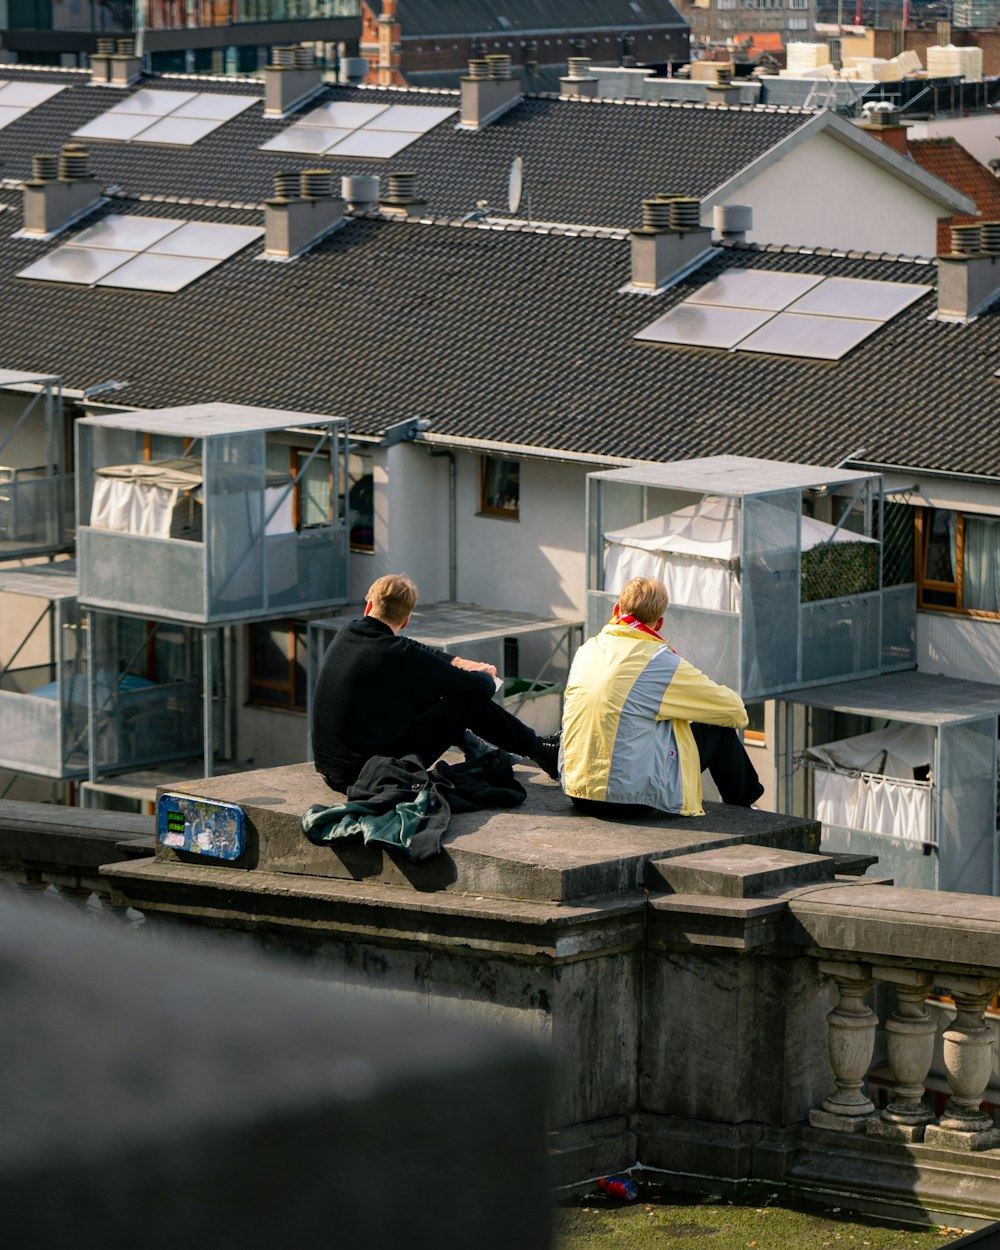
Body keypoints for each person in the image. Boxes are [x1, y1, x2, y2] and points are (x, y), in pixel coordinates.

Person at [312, 574, 560, 790]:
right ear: (406, 619)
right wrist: (485, 674)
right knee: (462, 704)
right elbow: (481, 689)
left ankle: (478, 746)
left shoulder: (349, 633)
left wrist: (463, 663)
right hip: (367, 773)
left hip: (333, 771)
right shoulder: (397, 653)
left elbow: (422, 653)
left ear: (368, 606)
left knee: (427, 690)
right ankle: (539, 750)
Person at [560, 575, 763, 818]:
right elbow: (735, 712)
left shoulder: (587, 649)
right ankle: (746, 814)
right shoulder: (659, 662)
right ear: (659, 624)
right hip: (627, 800)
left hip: (578, 791)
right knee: (719, 732)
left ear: (616, 609)